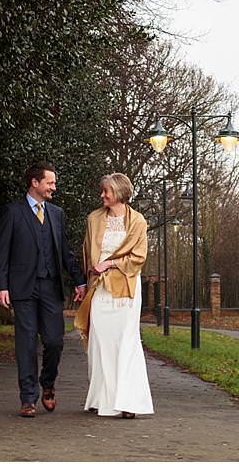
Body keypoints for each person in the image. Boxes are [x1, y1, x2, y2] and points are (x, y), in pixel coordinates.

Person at [0, 161, 86, 418]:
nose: (54, 187)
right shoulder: (13, 212)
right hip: (22, 288)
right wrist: (2, 285)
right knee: (25, 343)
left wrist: (79, 280)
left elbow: (65, 252)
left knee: (55, 341)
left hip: (51, 286)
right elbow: (1, 252)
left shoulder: (57, 214)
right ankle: (27, 398)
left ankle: (48, 384)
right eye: (50, 182)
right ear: (35, 182)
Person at [74, 172, 154, 418]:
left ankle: (128, 402)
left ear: (118, 193)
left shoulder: (138, 221)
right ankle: (101, 398)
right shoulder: (94, 218)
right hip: (99, 288)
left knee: (126, 342)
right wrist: (87, 282)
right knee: (100, 342)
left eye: (106, 191)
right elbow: (88, 253)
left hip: (125, 289)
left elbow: (138, 257)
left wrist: (109, 264)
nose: (102, 195)